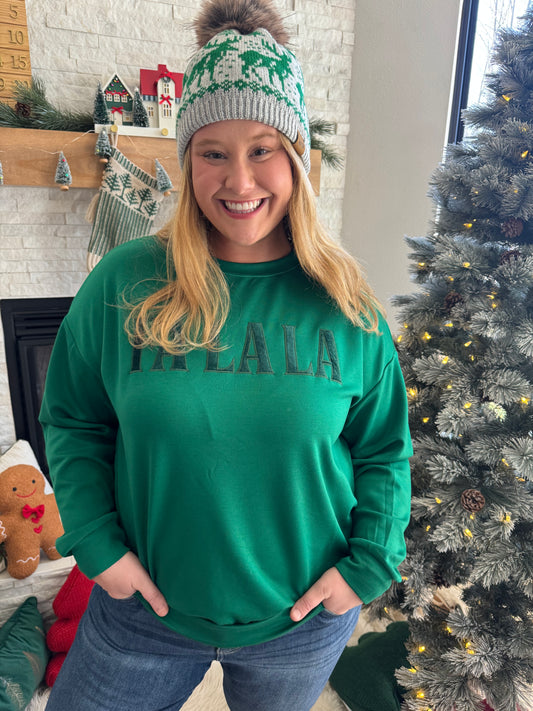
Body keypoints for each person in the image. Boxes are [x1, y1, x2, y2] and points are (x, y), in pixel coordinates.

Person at [40, 1, 412, 709]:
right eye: (214, 152)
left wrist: (367, 567)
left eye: (262, 149)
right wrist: (98, 546)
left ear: (296, 159)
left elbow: (384, 451)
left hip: (300, 625)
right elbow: (74, 420)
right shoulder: (123, 283)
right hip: (141, 618)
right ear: (187, 162)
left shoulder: (345, 301)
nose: (240, 182)